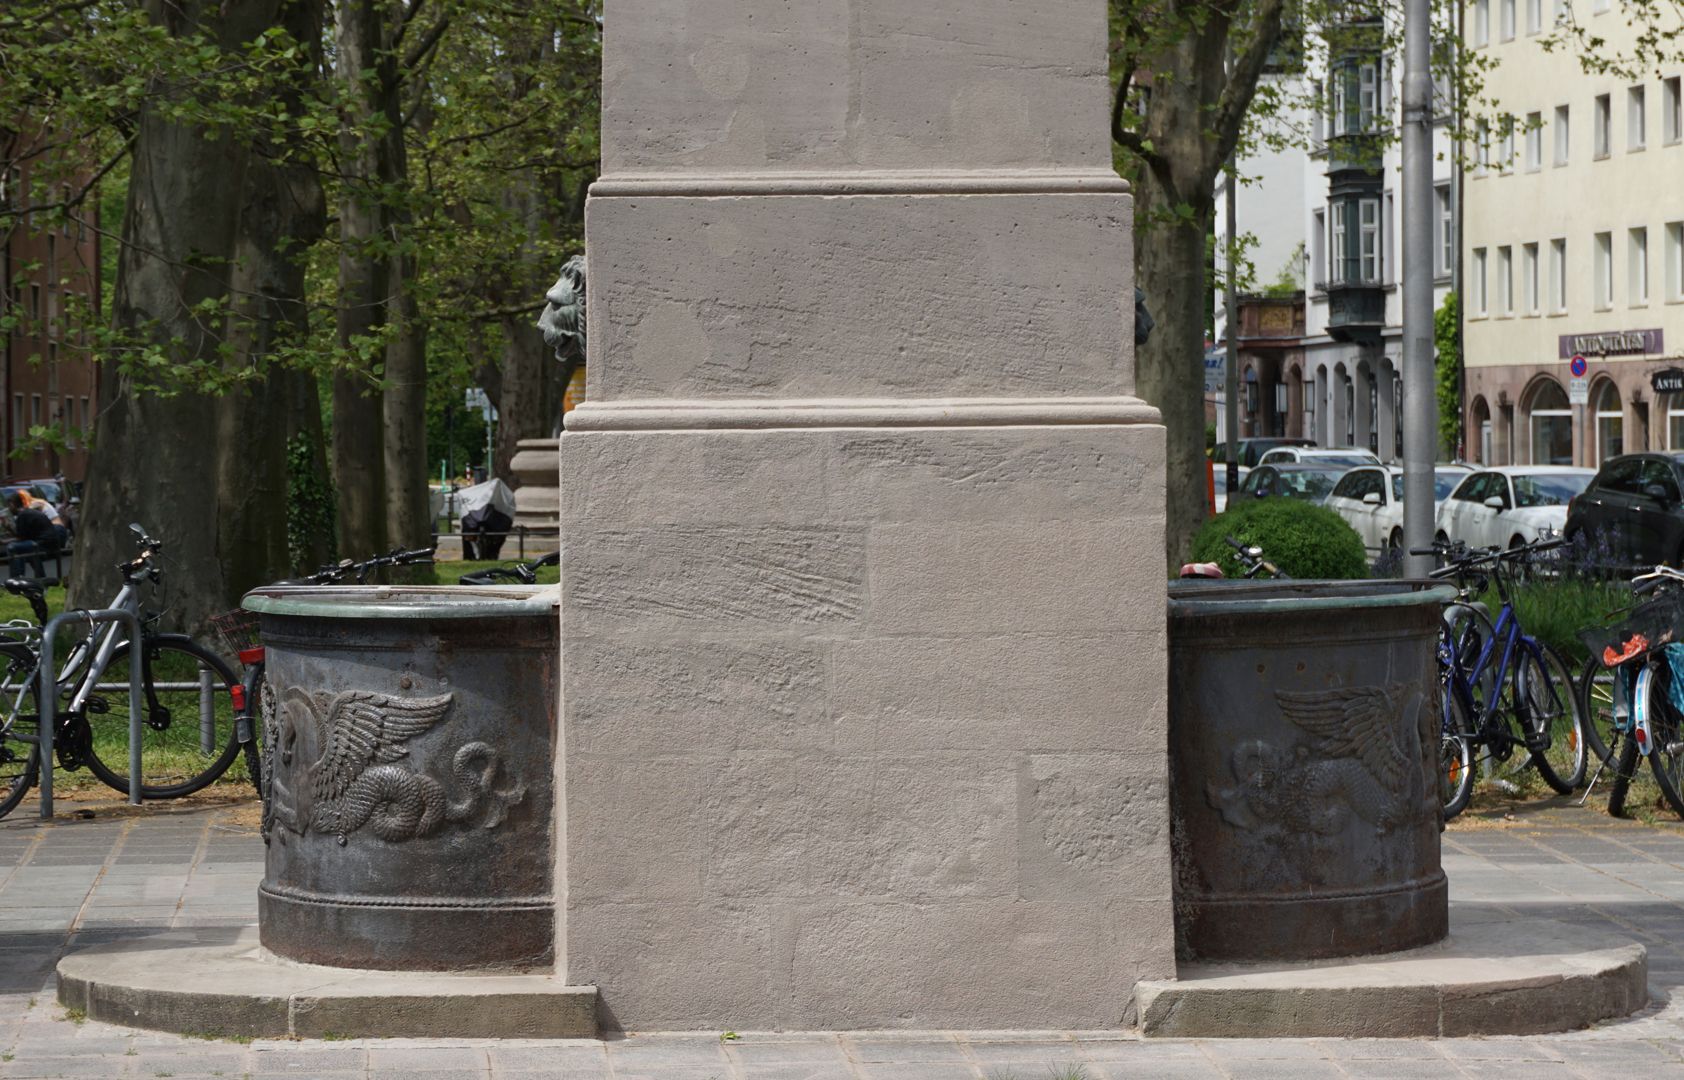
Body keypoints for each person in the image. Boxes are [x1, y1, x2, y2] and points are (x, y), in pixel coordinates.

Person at [7, 493, 53, 578]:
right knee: (24, 548)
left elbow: (21, 538)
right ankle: (40, 577)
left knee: (12, 548)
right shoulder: (27, 512)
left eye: (9, 506)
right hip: (48, 542)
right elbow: (23, 537)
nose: (9, 509)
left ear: (12, 504)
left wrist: (8, 529)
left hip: (42, 544)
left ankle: (16, 578)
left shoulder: (22, 515)